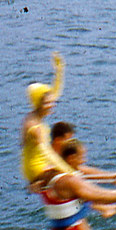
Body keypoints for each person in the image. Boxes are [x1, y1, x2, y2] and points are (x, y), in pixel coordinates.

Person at [21, 52, 73, 184]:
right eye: (47, 103)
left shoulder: (37, 114)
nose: (52, 105)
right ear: (39, 104)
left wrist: (59, 69)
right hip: (37, 168)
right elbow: (47, 153)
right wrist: (69, 171)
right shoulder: (34, 126)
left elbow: (55, 93)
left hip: (41, 163)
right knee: (73, 178)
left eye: (51, 102)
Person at [51, 122, 116, 184]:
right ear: (58, 140)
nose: (72, 142)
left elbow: (78, 169)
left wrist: (111, 177)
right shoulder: (49, 157)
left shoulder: (64, 156)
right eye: (69, 139)